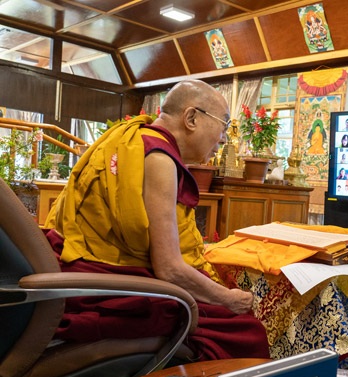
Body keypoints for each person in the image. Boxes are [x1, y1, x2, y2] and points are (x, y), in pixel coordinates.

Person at [43, 80, 269, 361]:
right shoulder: (159, 159)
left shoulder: (131, 138)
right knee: (246, 333)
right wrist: (228, 299)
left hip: (73, 266)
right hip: (104, 285)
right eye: (223, 124)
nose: (223, 137)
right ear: (191, 118)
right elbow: (170, 270)